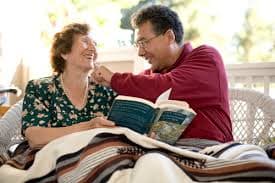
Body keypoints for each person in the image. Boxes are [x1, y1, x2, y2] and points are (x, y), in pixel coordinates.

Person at [92, 5, 233, 143]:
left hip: (209, 149)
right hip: (165, 152)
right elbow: (137, 89)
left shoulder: (206, 57)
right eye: (138, 45)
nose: (140, 52)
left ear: (169, 36)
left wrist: (114, 78)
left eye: (144, 42)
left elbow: (164, 86)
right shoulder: (151, 74)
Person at [22, 23, 117, 149]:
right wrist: (89, 126)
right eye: (85, 42)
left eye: (95, 44)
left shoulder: (106, 91)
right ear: (64, 53)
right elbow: (35, 138)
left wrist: (116, 83)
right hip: (49, 159)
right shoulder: (40, 87)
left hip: (94, 157)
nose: (93, 48)